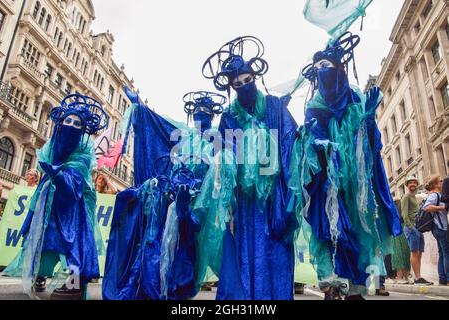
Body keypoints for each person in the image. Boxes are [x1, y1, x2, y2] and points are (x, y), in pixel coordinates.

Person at [289, 32, 402, 300]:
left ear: (339, 68)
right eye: (317, 69)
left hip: (355, 188)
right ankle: (331, 284)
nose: (321, 72)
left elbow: (373, 147)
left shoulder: (355, 99)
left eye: (325, 67)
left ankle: (355, 288)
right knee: (329, 232)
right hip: (327, 186)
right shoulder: (314, 107)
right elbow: (309, 144)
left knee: (357, 233)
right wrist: (313, 142)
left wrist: (369, 117)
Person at [197, 36, 298, 300]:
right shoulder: (228, 118)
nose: (243, 85)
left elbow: (291, 145)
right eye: (236, 83)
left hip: (275, 195)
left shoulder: (275, 107)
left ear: (256, 77)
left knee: (275, 251)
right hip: (245, 201)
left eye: (247, 79)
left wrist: (290, 196)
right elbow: (220, 156)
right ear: (231, 86)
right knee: (247, 252)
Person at [103, 89, 226, 300]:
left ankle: (180, 289)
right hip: (175, 197)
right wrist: (140, 107)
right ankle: (163, 287)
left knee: (189, 244)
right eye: (197, 112)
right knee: (166, 241)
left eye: (205, 112)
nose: (200, 116)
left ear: (211, 117)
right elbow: (157, 125)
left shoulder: (217, 140)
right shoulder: (183, 135)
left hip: (201, 203)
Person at [3, 94, 108, 300]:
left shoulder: (84, 152)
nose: (70, 125)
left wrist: (59, 175)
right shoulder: (50, 148)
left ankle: (75, 282)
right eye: (67, 121)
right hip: (48, 201)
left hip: (73, 206)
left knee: (72, 239)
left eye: (76, 123)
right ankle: (41, 273)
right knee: (43, 235)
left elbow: (77, 180)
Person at [401, 176, 433, 286]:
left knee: (419, 253)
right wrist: (411, 228)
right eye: (410, 183)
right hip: (411, 228)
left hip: (418, 227)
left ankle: (419, 276)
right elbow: (404, 215)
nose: (413, 184)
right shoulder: (406, 197)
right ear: (407, 185)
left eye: (414, 182)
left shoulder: (414, 197)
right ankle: (417, 278)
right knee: (414, 252)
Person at [423, 175, 449, 286]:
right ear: (436, 184)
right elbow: (427, 207)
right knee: (446, 252)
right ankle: (447, 278)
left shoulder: (438, 195)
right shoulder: (435, 195)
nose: (442, 182)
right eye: (441, 181)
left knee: (442, 253)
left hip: (439, 227)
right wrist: (443, 207)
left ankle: (442, 279)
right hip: (440, 227)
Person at [391, 197, 411, 285]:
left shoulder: (392, 207)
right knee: (400, 252)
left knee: (402, 252)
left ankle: (402, 277)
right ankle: (402, 277)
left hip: (398, 227)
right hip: (398, 228)